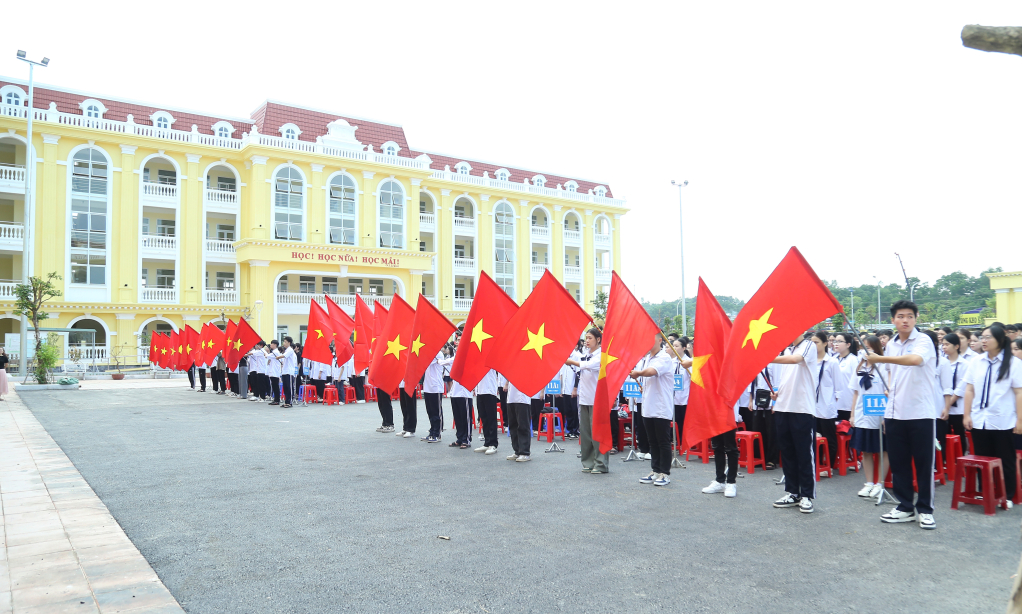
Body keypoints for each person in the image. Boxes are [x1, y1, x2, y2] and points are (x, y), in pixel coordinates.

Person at [865, 300, 937, 530]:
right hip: (895, 413)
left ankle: (925, 509)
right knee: (899, 463)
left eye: (909, 316)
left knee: (924, 464)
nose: (905, 320)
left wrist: (880, 357)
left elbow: (915, 361)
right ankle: (905, 506)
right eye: (900, 316)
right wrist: (888, 409)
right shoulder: (893, 344)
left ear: (916, 319)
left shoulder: (924, 340)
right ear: (893, 320)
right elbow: (891, 376)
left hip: (920, 413)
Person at [963, 323, 1022, 505]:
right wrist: (967, 415)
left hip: (1003, 420)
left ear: (1000, 340)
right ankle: (986, 491)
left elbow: (1019, 392)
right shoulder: (976, 362)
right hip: (979, 420)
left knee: (1006, 460)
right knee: (982, 458)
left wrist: (1020, 420)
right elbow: (970, 390)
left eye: (988, 337)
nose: (984, 340)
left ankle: (1008, 495)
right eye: (982, 337)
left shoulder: (1013, 363)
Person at [770, 333, 819, 513]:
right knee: (788, 453)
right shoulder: (787, 349)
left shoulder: (808, 346)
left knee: (804, 453)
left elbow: (796, 360)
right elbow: (787, 379)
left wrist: (769, 358)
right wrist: (777, 394)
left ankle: (807, 495)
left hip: (802, 408)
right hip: (783, 406)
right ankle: (792, 492)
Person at [630, 336, 678, 487]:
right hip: (648, 406)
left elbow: (651, 372)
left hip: (661, 406)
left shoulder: (664, 357)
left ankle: (665, 473)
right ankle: (655, 470)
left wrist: (638, 373)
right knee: (652, 441)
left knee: (662, 441)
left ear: (659, 340)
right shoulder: (646, 358)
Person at [848, 335, 887, 499]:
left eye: (869, 348)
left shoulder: (884, 366)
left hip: (880, 414)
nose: (865, 351)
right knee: (866, 450)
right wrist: (852, 415)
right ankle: (869, 482)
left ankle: (880, 483)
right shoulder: (859, 367)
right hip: (862, 413)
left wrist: (887, 417)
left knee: (883, 450)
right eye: (863, 348)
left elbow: (889, 392)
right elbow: (856, 393)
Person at [566, 328, 606, 474]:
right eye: (586, 338)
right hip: (584, 398)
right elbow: (580, 370)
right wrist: (570, 363)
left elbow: (589, 366)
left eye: (590, 338)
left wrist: (573, 362)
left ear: (598, 339)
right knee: (586, 432)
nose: (587, 341)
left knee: (597, 433)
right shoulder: (585, 355)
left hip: (597, 398)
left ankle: (600, 463)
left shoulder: (601, 355)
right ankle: (588, 461)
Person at [812, 331, 840, 469]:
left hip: (827, 405)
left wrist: (833, 402)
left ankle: (829, 465)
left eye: (816, 342)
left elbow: (838, 386)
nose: (813, 345)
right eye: (811, 343)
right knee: (815, 437)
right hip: (812, 406)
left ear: (825, 343)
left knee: (829, 437)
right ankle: (817, 464)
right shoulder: (809, 362)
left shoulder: (832, 362)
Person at [940, 333, 969, 455]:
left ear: (956, 346)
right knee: (943, 435)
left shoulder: (965, 364)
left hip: (958, 408)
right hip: (942, 406)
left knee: (959, 434)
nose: (944, 347)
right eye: (943, 344)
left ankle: (960, 459)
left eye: (947, 344)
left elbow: (961, 388)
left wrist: (948, 405)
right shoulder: (941, 363)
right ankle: (945, 460)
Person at [423, 349, 455, 443]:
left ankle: (437, 433)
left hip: (436, 387)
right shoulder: (428, 352)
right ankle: (432, 431)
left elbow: (425, 361)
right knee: (430, 411)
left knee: (436, 411)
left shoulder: (437, 353)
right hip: (427, 386)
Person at [833, 333, 859, 422]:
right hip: (833, 403)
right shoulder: (833, 359)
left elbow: (856, 384)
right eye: (835, 341)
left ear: (848, 344)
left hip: (847, 403)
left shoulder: (853, 360)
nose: (836, 344)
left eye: (840, 341)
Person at [505, 378, 533, 462]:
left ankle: (524, 452)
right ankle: (517, 450)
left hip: (522, 397)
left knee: (523, 425)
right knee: (513, 425)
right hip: (511, 397)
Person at [473, 369, 500, 454]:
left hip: (489, 391)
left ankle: (493, 443)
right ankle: (487, 442)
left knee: (491, 418)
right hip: (480, 391)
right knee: (483, 418)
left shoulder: (490, 357)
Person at [672, 338, 691, 452]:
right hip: (673, 397)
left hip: (685, 397)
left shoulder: (688, 361)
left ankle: (685, 444)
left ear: (684, 348)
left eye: (677, 346)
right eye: (673, 346)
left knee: (684, 421)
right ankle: (677, 442)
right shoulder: (672, 362)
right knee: (676, 420)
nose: (675, 348)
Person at [278, 336, 297, 408]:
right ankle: (286, 401)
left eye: (285, 342)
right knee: (285, 387)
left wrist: (278, 357)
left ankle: (290, 402)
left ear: (289, 343)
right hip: (284, 371)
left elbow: (284, 356)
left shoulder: (290, 350)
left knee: (289, 387)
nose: (284, 343)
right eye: (284, 341)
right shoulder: (286, 350)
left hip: (289, 372)